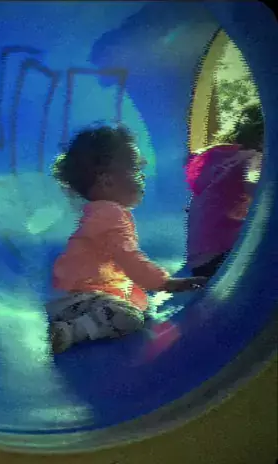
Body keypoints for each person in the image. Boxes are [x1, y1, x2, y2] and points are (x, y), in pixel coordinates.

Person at [47, 125, 208, 354]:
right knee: (130, 317)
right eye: (135, 169)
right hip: (80, 299)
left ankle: (80, 322)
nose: (142, 176)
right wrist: (165, 283)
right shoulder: (111, 214)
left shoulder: (99, 211)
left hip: (76, 298)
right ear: (107, 181)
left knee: (139, 306)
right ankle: (69, 331)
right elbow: (128, 258)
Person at [185, 103, 263, 278]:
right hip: (223, 261)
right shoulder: (253, 159)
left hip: (199, 263)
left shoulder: (215, 155)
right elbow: (258, 189)